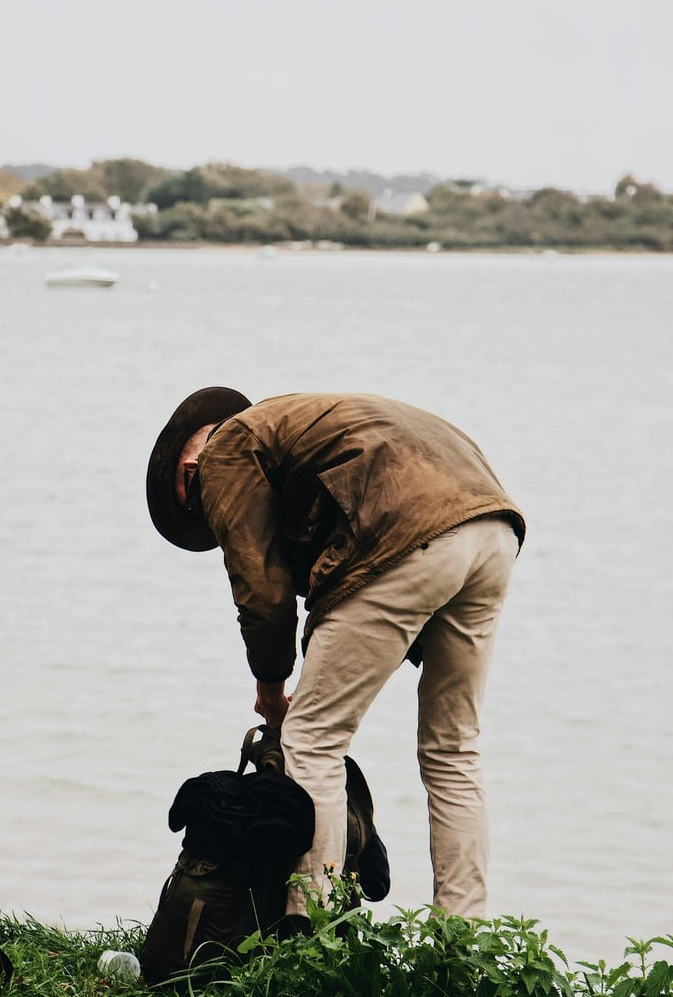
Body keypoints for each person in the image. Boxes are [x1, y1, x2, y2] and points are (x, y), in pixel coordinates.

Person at [146, 388, 525, 921]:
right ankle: (462, 939)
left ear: (188, 473)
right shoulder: (303, 430)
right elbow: (336, 577)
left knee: (312, 742)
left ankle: (311, 936)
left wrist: (272, 689)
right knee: (453, 751)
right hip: (492, 527)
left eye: (203, 512)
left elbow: (262, 590)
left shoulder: (227, 447)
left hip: (409, 533)